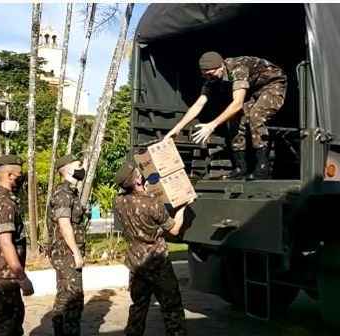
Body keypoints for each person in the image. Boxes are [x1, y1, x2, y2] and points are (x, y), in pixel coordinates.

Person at [166, 51, 287, 180]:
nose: (209, 78)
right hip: (253, 88)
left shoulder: (238, 68)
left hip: (272, 84)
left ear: (221, 67)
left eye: (211, 74)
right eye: (205, 75)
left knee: (255, 116)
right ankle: (240, 168)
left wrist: (212, 125)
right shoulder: (211, 78)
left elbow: (237, 103)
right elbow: (199, 104)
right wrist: (176, 129)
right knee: (233, 119)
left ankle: (263, 168)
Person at [114, 161, 188, 336]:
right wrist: (183, 207)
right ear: (138, 180)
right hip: (157, 263)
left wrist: (142, 191)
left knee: (138, 306)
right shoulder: (153, 204)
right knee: (172, 306)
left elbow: (137, 204)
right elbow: (175, 229)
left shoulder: (119, 202)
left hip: (136, 262)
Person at [0, 155, 34, 336]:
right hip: (4, 272)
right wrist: (21, 277)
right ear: (10, 175)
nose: (22, 177)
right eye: (19, 174)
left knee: (1, 319)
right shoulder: (5, 203)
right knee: (8, 323)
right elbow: (5, 241)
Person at [47, 154, 88, 336]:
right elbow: (64, 225)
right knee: (72, 299)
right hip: (66, 253)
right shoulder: (63, 193)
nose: (81, 168)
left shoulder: (71, 192)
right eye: (78, 165)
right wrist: (76, 253)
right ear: (69, 169)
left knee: (64, 296)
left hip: (66, 253)